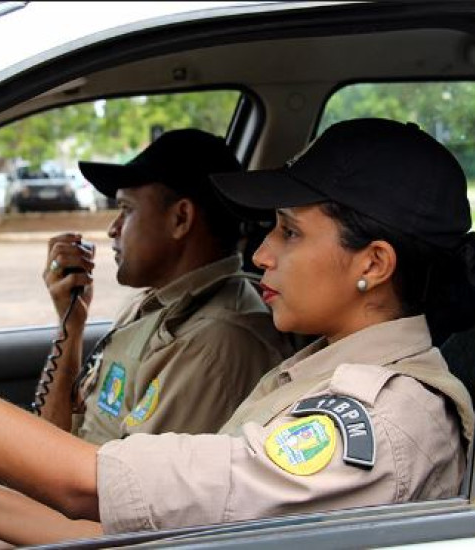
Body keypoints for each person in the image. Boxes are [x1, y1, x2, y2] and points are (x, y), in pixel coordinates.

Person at [0, 118, 475, 545]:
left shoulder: (381, 421)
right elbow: (132, 534)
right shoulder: (318, 370)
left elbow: (83, 486)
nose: (260, 253)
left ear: (373, 265)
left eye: (288, 233)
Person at [36, 128, 292, 444]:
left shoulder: (215, 343)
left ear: (180, 219)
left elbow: (117, 489)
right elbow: (57, 438)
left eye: (127, 210)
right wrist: (70, 324)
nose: (113, 229)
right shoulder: (155, 303)